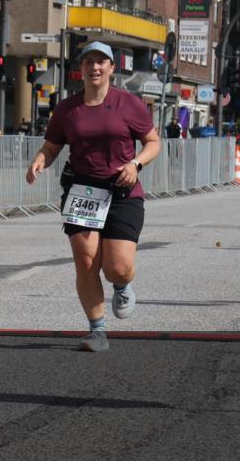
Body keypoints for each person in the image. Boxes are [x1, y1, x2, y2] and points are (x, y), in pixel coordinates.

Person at [25, 41, 161, 353]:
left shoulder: (129, 104)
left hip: (123, 190)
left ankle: (123, 285)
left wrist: (136, 164)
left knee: (117, 267)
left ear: (112, 68)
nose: (95, 67)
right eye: (89, 62)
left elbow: (153, 142)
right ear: (81, 68)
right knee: (86, 262)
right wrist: (39, 160)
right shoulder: (67, 109)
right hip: (83, 191)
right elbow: (52, 146)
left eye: (101, 62)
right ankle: (96, 330)